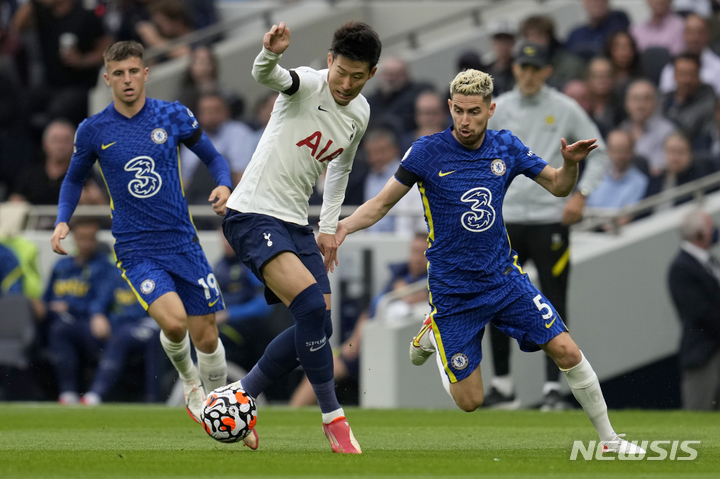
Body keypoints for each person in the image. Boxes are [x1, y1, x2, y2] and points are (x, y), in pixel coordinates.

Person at [332, 68, 644, 455]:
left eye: (474, 112)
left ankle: (610, 441)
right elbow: (380, 204)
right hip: (454, 291)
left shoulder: (505, 146)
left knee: (567, 351)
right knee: (471, 401)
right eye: (459, 111)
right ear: (450, 107)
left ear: (491, 110)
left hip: (504, 279)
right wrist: (341, 227)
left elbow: (559, 186)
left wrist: (570, 165)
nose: (465, 120)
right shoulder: (426, 152)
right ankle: (435, 332)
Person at [49, 41, 238, 441]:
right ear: (107, 78)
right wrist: (63, 220)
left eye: (134, 71)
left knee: (207, 336)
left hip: (183, 243)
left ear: (146, 73)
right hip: (136, 249)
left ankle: (223, 405)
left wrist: (224, 184)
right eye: (119, 73)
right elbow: (73, 179)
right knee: (174, 322)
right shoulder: (93, 129)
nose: (127, 80)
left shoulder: (173, 115)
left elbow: (213, 157)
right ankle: (190, 385)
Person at [221, 21, 381, 454]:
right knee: (310, 306)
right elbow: (266, 75)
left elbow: (340, 169)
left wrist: (328, 227)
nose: (345, 84)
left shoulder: (360, 113)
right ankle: (334, 419)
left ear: (371, 73)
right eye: (341, 72)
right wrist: (270, 53)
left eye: (357, 76)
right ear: (330, 61)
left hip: (294, 223)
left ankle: (241, 394)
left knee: (320, 325)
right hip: (253, 212)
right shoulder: (308, 84)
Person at [488, 41, 609, 411]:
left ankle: (553, 389)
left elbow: (599, 152)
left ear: (546, 71)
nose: (528, 74)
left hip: (549, 219)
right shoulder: (499, 108)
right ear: (515, 69)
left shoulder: (564, 107)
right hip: (506, 220)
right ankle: (503, 387)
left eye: (534, 68)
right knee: (495, 298)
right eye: (522, 67)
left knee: (553, 302)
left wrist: (581, 194)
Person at [289, 232, 429, 407]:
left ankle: (298, 410)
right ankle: (295, 411)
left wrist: (403, 292)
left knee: (327, 366)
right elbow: (369, 312)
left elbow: (414, 299)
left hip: (391, 349)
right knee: (323, 363)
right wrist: (354, 342)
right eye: (414, 251)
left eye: (423, 253)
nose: (417, 258)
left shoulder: (431, 281)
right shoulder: (399, 275)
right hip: (367, 343)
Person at [44, 219, 117, 404]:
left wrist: (71, 307)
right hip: (55, 319)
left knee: (60, 330)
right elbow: (47, 297)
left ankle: (68, 391)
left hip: (86, 323)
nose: (86, 243)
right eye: (81, 238)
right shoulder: (61, 266)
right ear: (74, 239)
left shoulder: (104, 267)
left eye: (90, 239)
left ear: (96, 240)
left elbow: (102, 299)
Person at [81, 263, 162, 405]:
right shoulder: (117, 273)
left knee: (122, 337)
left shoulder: (154, 273)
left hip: (148, 323)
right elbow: (100, 301)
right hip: (119, 325)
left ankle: (97, 392)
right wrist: (97, 315)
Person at [668, 209, 720, 410]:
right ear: (699, 233)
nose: (714, 231)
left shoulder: (708, 260)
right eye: (710, 227)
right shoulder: (681, 267)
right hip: (704, 354)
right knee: (700, 413)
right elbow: (702, 312)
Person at [586, 130, 649, 224]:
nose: (619, 156)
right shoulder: (596, 176)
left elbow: (625, 218)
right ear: (608, 151)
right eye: (615, 150)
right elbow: (585, 207)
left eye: (624, 150)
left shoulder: (640, 182)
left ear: (632, 151)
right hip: (588, 226)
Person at [618, 79, 677, 175]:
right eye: (635, 99)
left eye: (646, 99)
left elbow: (662, 168)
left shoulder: (668, 132)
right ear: (626, 103)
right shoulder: (621, 130)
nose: (640, 105)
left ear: (655, 102)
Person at [661, 52, 717, 146]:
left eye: (691, 74)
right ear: (674, 75)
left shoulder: (709, 102)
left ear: (699, 75)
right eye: (681, 74)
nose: (686, 80)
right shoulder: (663, 99)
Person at [659, 14, 720, 96]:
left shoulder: (718, 67)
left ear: (708, 34)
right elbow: (665, 97)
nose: (695, 38)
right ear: (684, 35)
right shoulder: (670, 68)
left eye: (700, 32)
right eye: (690, 32)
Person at [565, 0, 631, 61]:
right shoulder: (575, 35)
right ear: (584, 2)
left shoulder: (619, 23)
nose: (596, 3)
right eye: (592, 1)